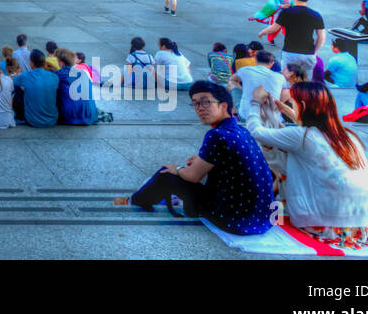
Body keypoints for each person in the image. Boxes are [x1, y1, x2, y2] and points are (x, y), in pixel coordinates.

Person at [115, 82, 273, 235]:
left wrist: (177, 170)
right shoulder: (241, 130)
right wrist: (199, 162)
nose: (200, 109)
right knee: (191, 166)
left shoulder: (217, 135)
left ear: (224, 106)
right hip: (262, 219)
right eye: (196, 104)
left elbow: (193, 177)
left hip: (232, 219)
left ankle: (134, 201)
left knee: (166, 175)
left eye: (206, 102)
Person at [246, 81, 368, 247]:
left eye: (292, 102)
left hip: (324, 225)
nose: (291, 105)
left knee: (280, 156)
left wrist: (255, 102)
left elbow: (255, 132)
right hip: (364, 225)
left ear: (302, 105)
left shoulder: (302, 136)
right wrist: (290, 113)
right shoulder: (347, 136)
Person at [268, 0, 324, 80]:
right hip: (308, 54)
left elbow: (274, 28)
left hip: (290, 52)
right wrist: (315, 52)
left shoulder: (287, 12)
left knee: (287, 81)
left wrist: (262, 32)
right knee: (306, 82)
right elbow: (321, 37)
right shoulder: (316, 14)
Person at [13, 50, 60, 128]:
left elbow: (14, 81)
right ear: (44, 62)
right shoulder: (54, 77)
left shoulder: (26, 76)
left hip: (32, 120)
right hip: (52, 120)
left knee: (18, 88)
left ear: (31, 63)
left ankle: (19, 116)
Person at [56, 48, 100, 125]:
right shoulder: (84, 74)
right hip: (90, 115)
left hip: (72, 116)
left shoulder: (59, 74)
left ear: (61, 63)